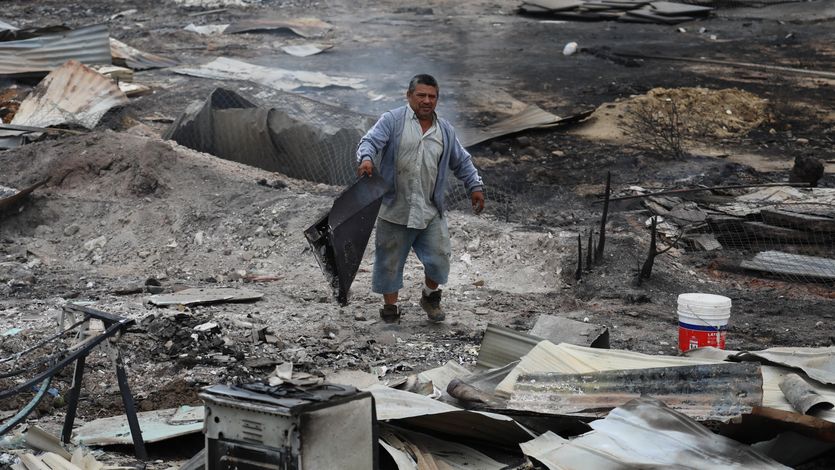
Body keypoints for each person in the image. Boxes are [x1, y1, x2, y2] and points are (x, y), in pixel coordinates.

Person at [356, 74, 485, 323]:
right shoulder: (392, 121)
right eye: (421, 95)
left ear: (437, 99)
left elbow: (462, 161)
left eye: (432, 96)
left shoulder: (444, 130)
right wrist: (366, 159)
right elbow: (369, 141)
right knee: (389, 263)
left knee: (439, 259)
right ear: (409, 96)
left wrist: (475, 186)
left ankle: (430, 296)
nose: (427, 101)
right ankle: (390, 308)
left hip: (429, 210)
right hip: (395, 208)